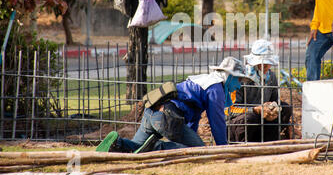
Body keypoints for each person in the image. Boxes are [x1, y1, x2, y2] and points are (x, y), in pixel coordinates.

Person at [96, 56, 251, 153]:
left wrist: (189, 135)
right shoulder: (215, 88)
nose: (239, 86)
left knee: (136, 146)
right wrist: (223, 149)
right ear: (229, 76)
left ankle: (116, 143)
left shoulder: (204, 80)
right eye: (239, 80)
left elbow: (193, 116)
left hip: (152, 112)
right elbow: (217, 121)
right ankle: (155, 148)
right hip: (166, 118)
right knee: (197, 151)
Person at [227, 39, 293, 142]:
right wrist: (255, 109)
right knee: (250, 117)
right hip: (238, 125)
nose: (265, 65)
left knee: (285, 108)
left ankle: (269, 143)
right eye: (262, 62)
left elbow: (276, 100)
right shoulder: (241, 78)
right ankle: (244, 147)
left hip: (262, 120)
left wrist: (273, 109)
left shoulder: (271, 77)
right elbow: (230, 110)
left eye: (268, 62)